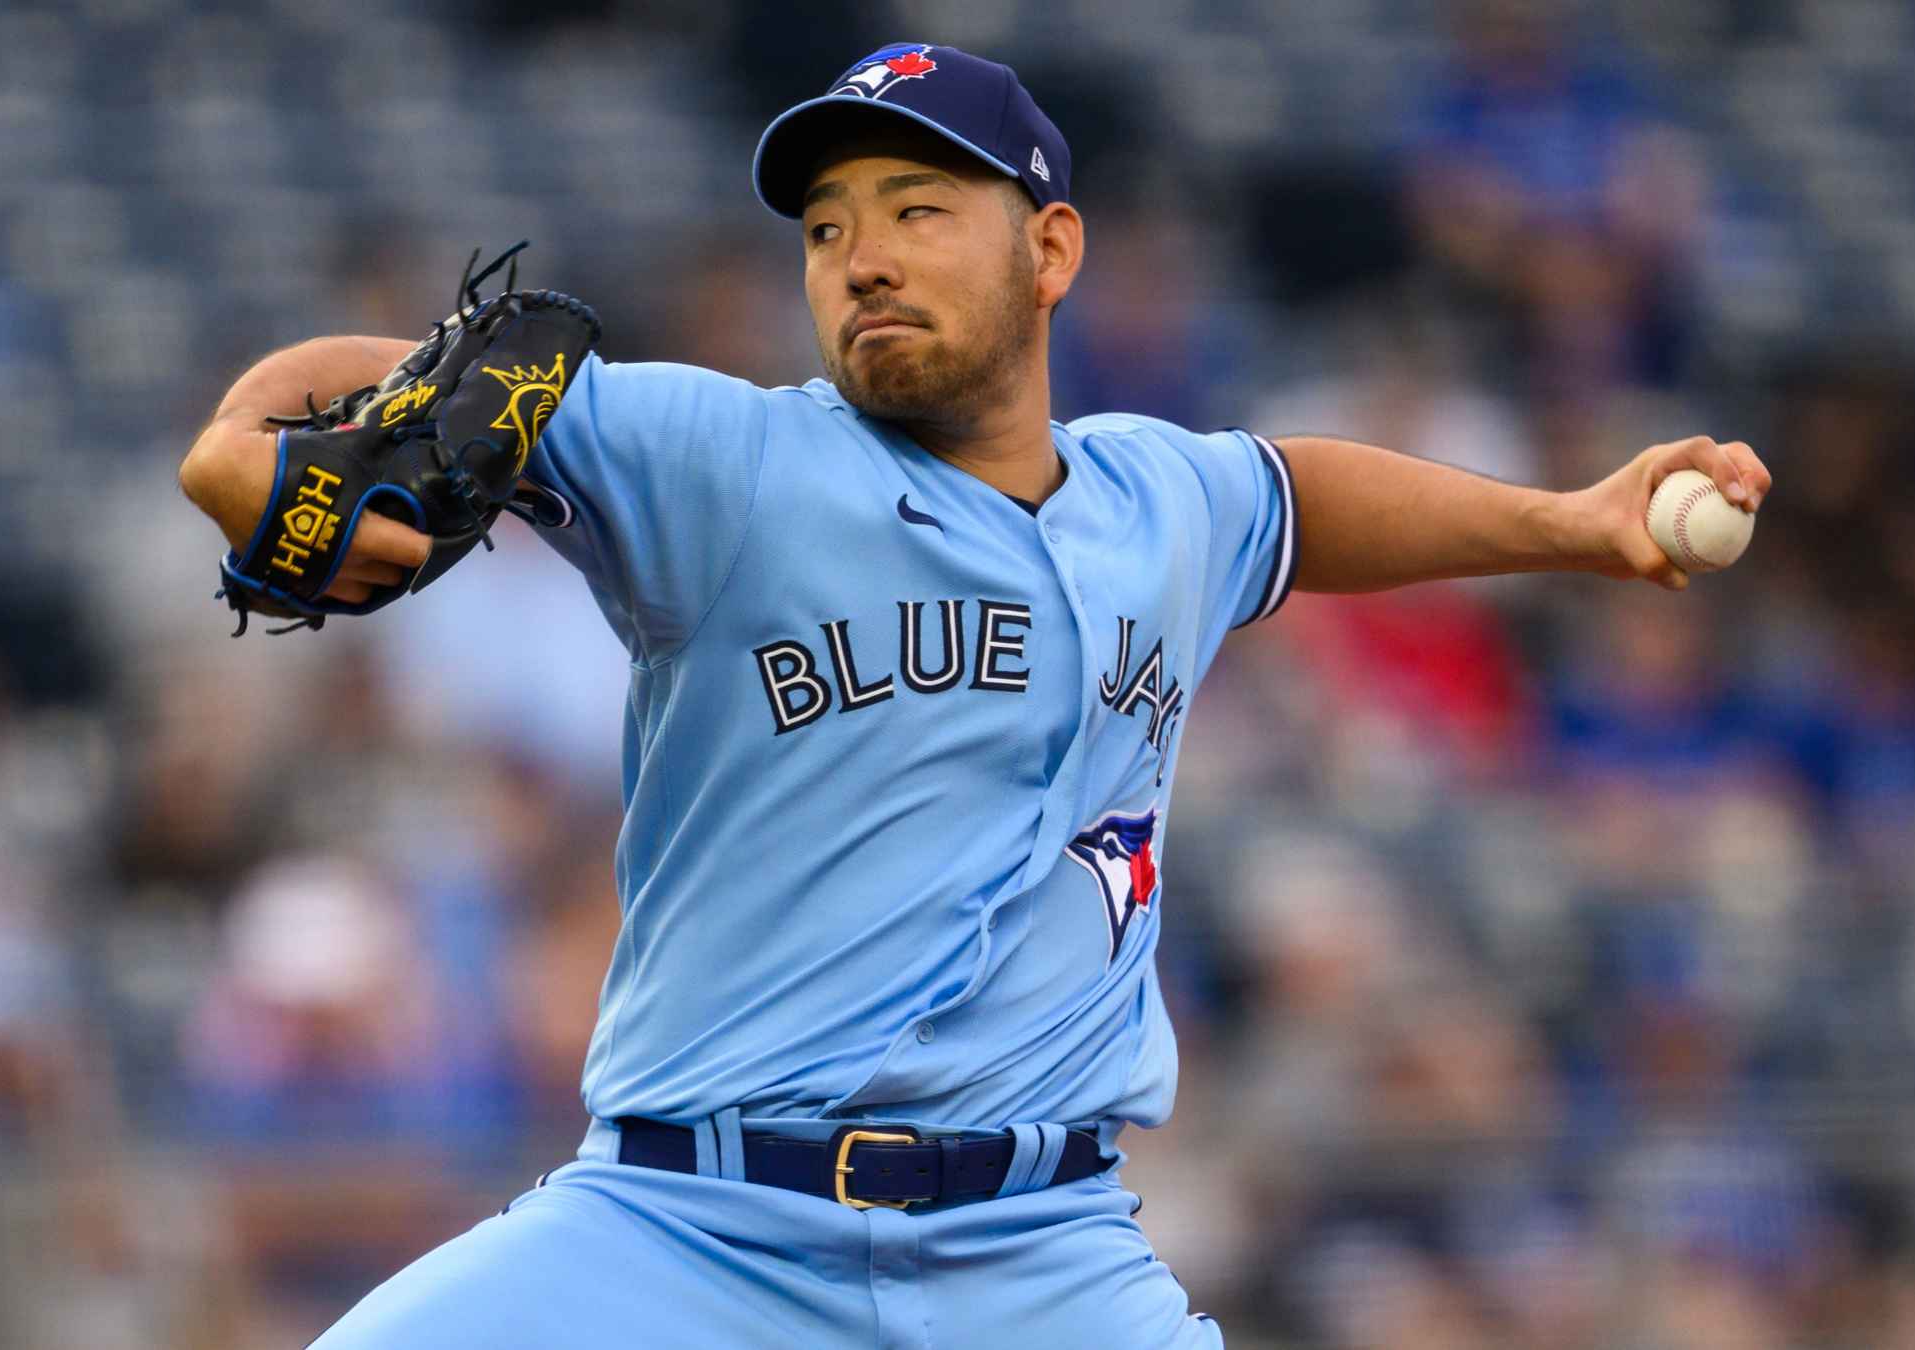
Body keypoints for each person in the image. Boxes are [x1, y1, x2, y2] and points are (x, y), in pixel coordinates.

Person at [177, 41, 1770, 1350]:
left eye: (917, 208)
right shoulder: (720, 462)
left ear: (1052, 246)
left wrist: (1569, 523)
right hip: (689, 1235)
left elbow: (1304, 497)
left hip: (1046, 1257)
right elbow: (355, 382)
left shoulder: (1166, 500)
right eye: (823, 230)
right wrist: (239, 446)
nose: (860, 256)